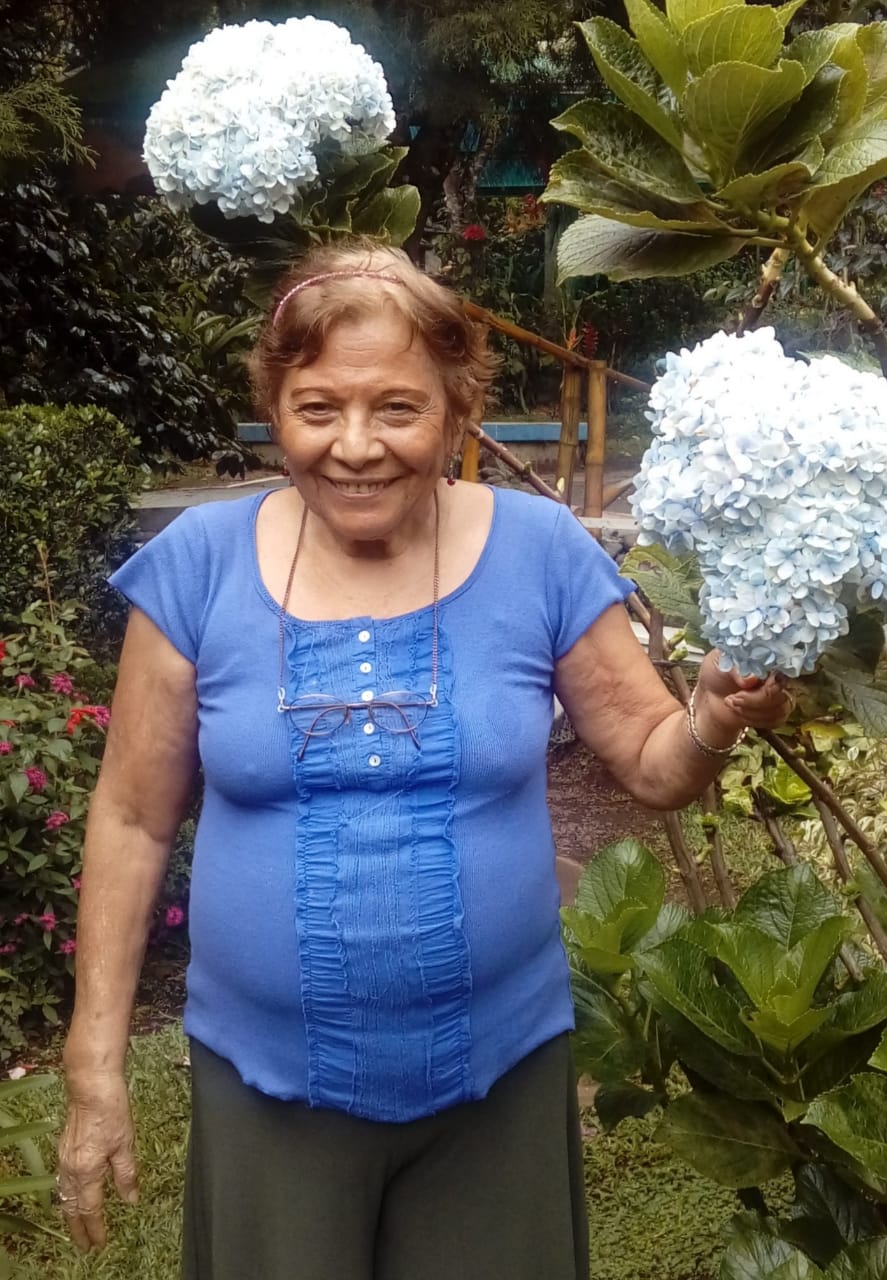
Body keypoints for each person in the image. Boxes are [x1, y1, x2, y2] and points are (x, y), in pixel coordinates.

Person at [57, 239, 791, 1280]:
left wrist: (712, 714)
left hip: (499, 1078)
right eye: (318, 409)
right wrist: (93, 1057)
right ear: (276, 408)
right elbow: (132, 817)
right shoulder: (197, 570)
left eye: (397, 408)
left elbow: (650, 758)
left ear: (456, 409)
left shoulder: (539, 549)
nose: (356, 446)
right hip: (264, 1086)